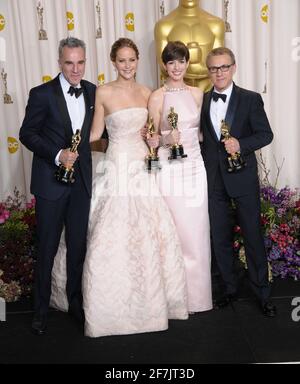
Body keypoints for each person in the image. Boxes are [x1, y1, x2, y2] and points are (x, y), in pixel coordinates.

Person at [51, 37, 188, 337]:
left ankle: (151, 304)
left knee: (150, 230)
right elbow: (96, 133)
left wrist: (157, 139)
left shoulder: (148, 93)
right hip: (115, 166)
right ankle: (106, 308)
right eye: (121, 60)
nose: (127, 65)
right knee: (107, 233)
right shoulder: (103, 92)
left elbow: (153, 134)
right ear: (113, 62)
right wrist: (67, 149)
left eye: (132, 59)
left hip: (142, 167)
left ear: (138, 60)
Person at [19, 37, 97, 335]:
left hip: (81, 185)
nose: (75, 69)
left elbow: (98, 134)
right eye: (69, 63)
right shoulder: (41, 94)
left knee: (78, 247)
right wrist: (57, 154)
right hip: (51, 184)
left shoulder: (92, 91)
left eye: (80, 62)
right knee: (48, 248)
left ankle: (74, 304)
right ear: (59, 62)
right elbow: (27, 134)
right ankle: (39, 311)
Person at [200, 47, 277, 317]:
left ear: (233, 68)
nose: (218, 72)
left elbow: (266, 135)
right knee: (219, 238)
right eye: (213, 68)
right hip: (214, 181)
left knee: (253, 238)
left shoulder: (250, 99)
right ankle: (228, 290)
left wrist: (240, 144)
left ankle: (262, 293)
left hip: (243, 179)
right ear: (208, 71)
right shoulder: (202, 100)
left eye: (223, 67)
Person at [147, 41, 213, 314]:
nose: (177, 67)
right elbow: (150, 137)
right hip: (169, 169)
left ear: (188, 63)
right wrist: (165, 137)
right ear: (165, 65)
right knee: (173, 231)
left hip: (195, 167)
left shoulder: (198, 94)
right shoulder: (157, 96)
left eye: (181, 61)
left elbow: (202, 132)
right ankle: (173, 299)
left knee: (197, 232)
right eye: (171, 62)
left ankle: (198, 299)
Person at [154, 0, 225, 91]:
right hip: (174, 94)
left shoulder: (216, 24)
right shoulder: (163, 25)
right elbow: (164, 67)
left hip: (209, 93)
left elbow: (218, 65)